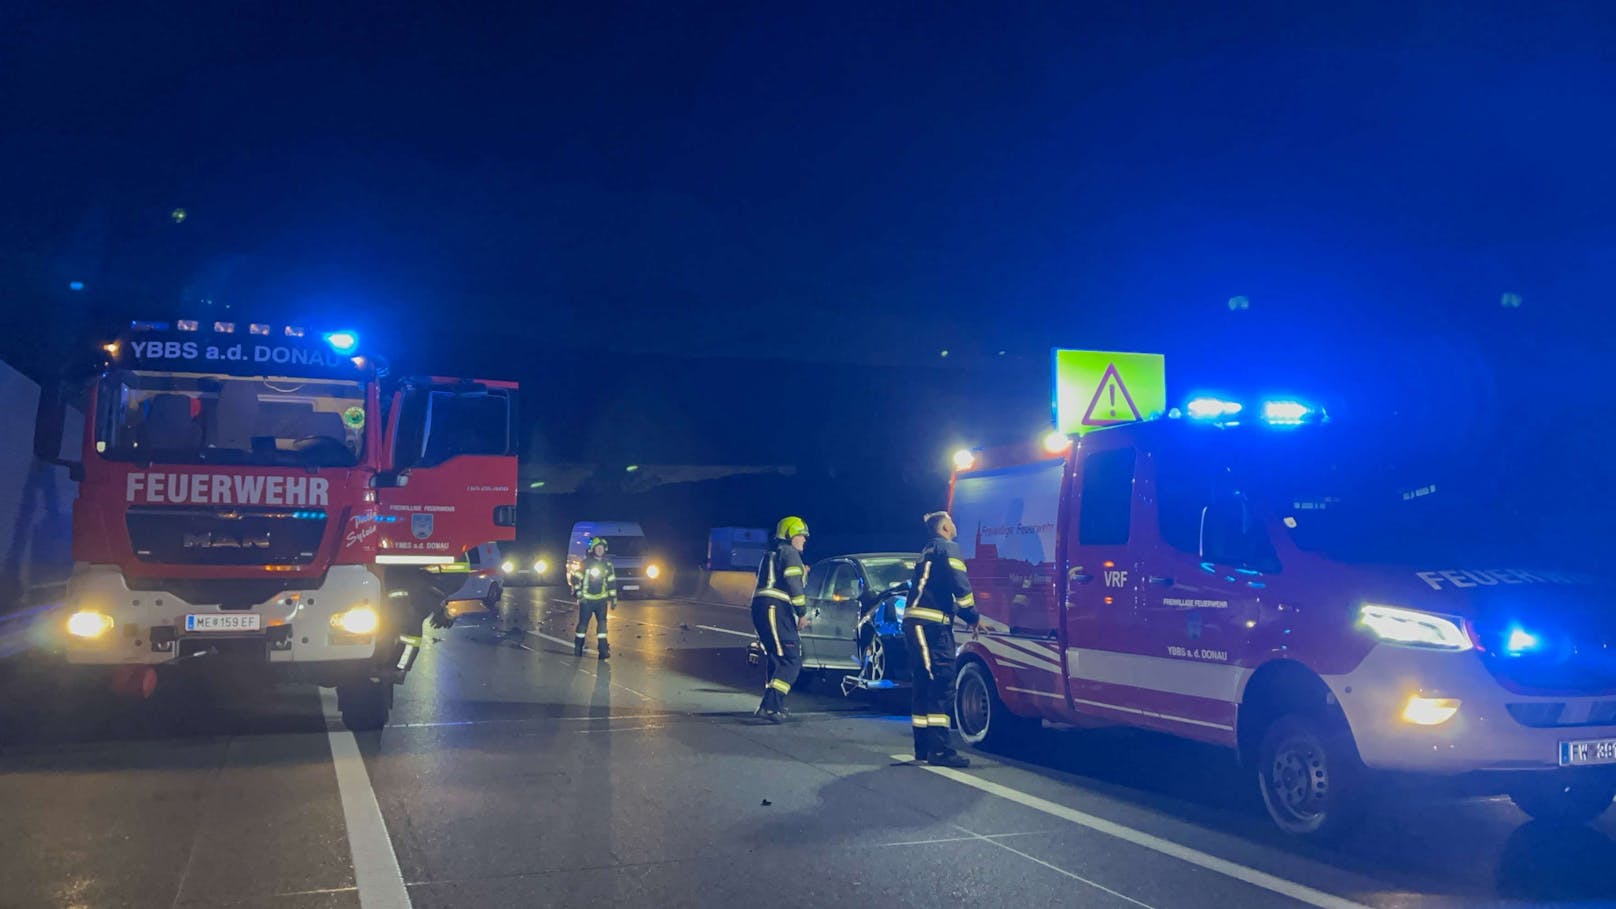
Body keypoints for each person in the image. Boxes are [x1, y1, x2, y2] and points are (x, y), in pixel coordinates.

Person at [905, 510, 980, 767]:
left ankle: (924, 748)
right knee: (941, 681)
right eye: (953, 522)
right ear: (945, 527)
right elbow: (961, 586)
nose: (956, 526)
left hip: (920, 625)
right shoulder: (948, 548)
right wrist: (972, 616)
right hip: (931, 628)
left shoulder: (929, 550)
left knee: (924, 683)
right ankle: (940, 751)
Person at [751, 515, 810, 723]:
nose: (804, 539)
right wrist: (802, 612)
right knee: (792, 659)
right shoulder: (790, 553)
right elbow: (793, 584)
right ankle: (769, 705)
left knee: (777, 658)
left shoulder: (771, 554)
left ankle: (773, 707)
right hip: (776, 608)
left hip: (763, 608)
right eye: (801, 535)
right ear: (790, 535)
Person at [572, 536, 617, 659]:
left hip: (601, 601)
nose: (599, 550)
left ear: (604, 549)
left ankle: (603, 650)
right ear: (593, 549)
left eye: (601, 548)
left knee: (602, 626)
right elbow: (575, 578)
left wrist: (613, 598)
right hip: (587, 601)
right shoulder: (585, 563)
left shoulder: (607, 565)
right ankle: (578, 647)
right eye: (597, 548)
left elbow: (611, 582)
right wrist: (579, 594)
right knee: (582, 625)